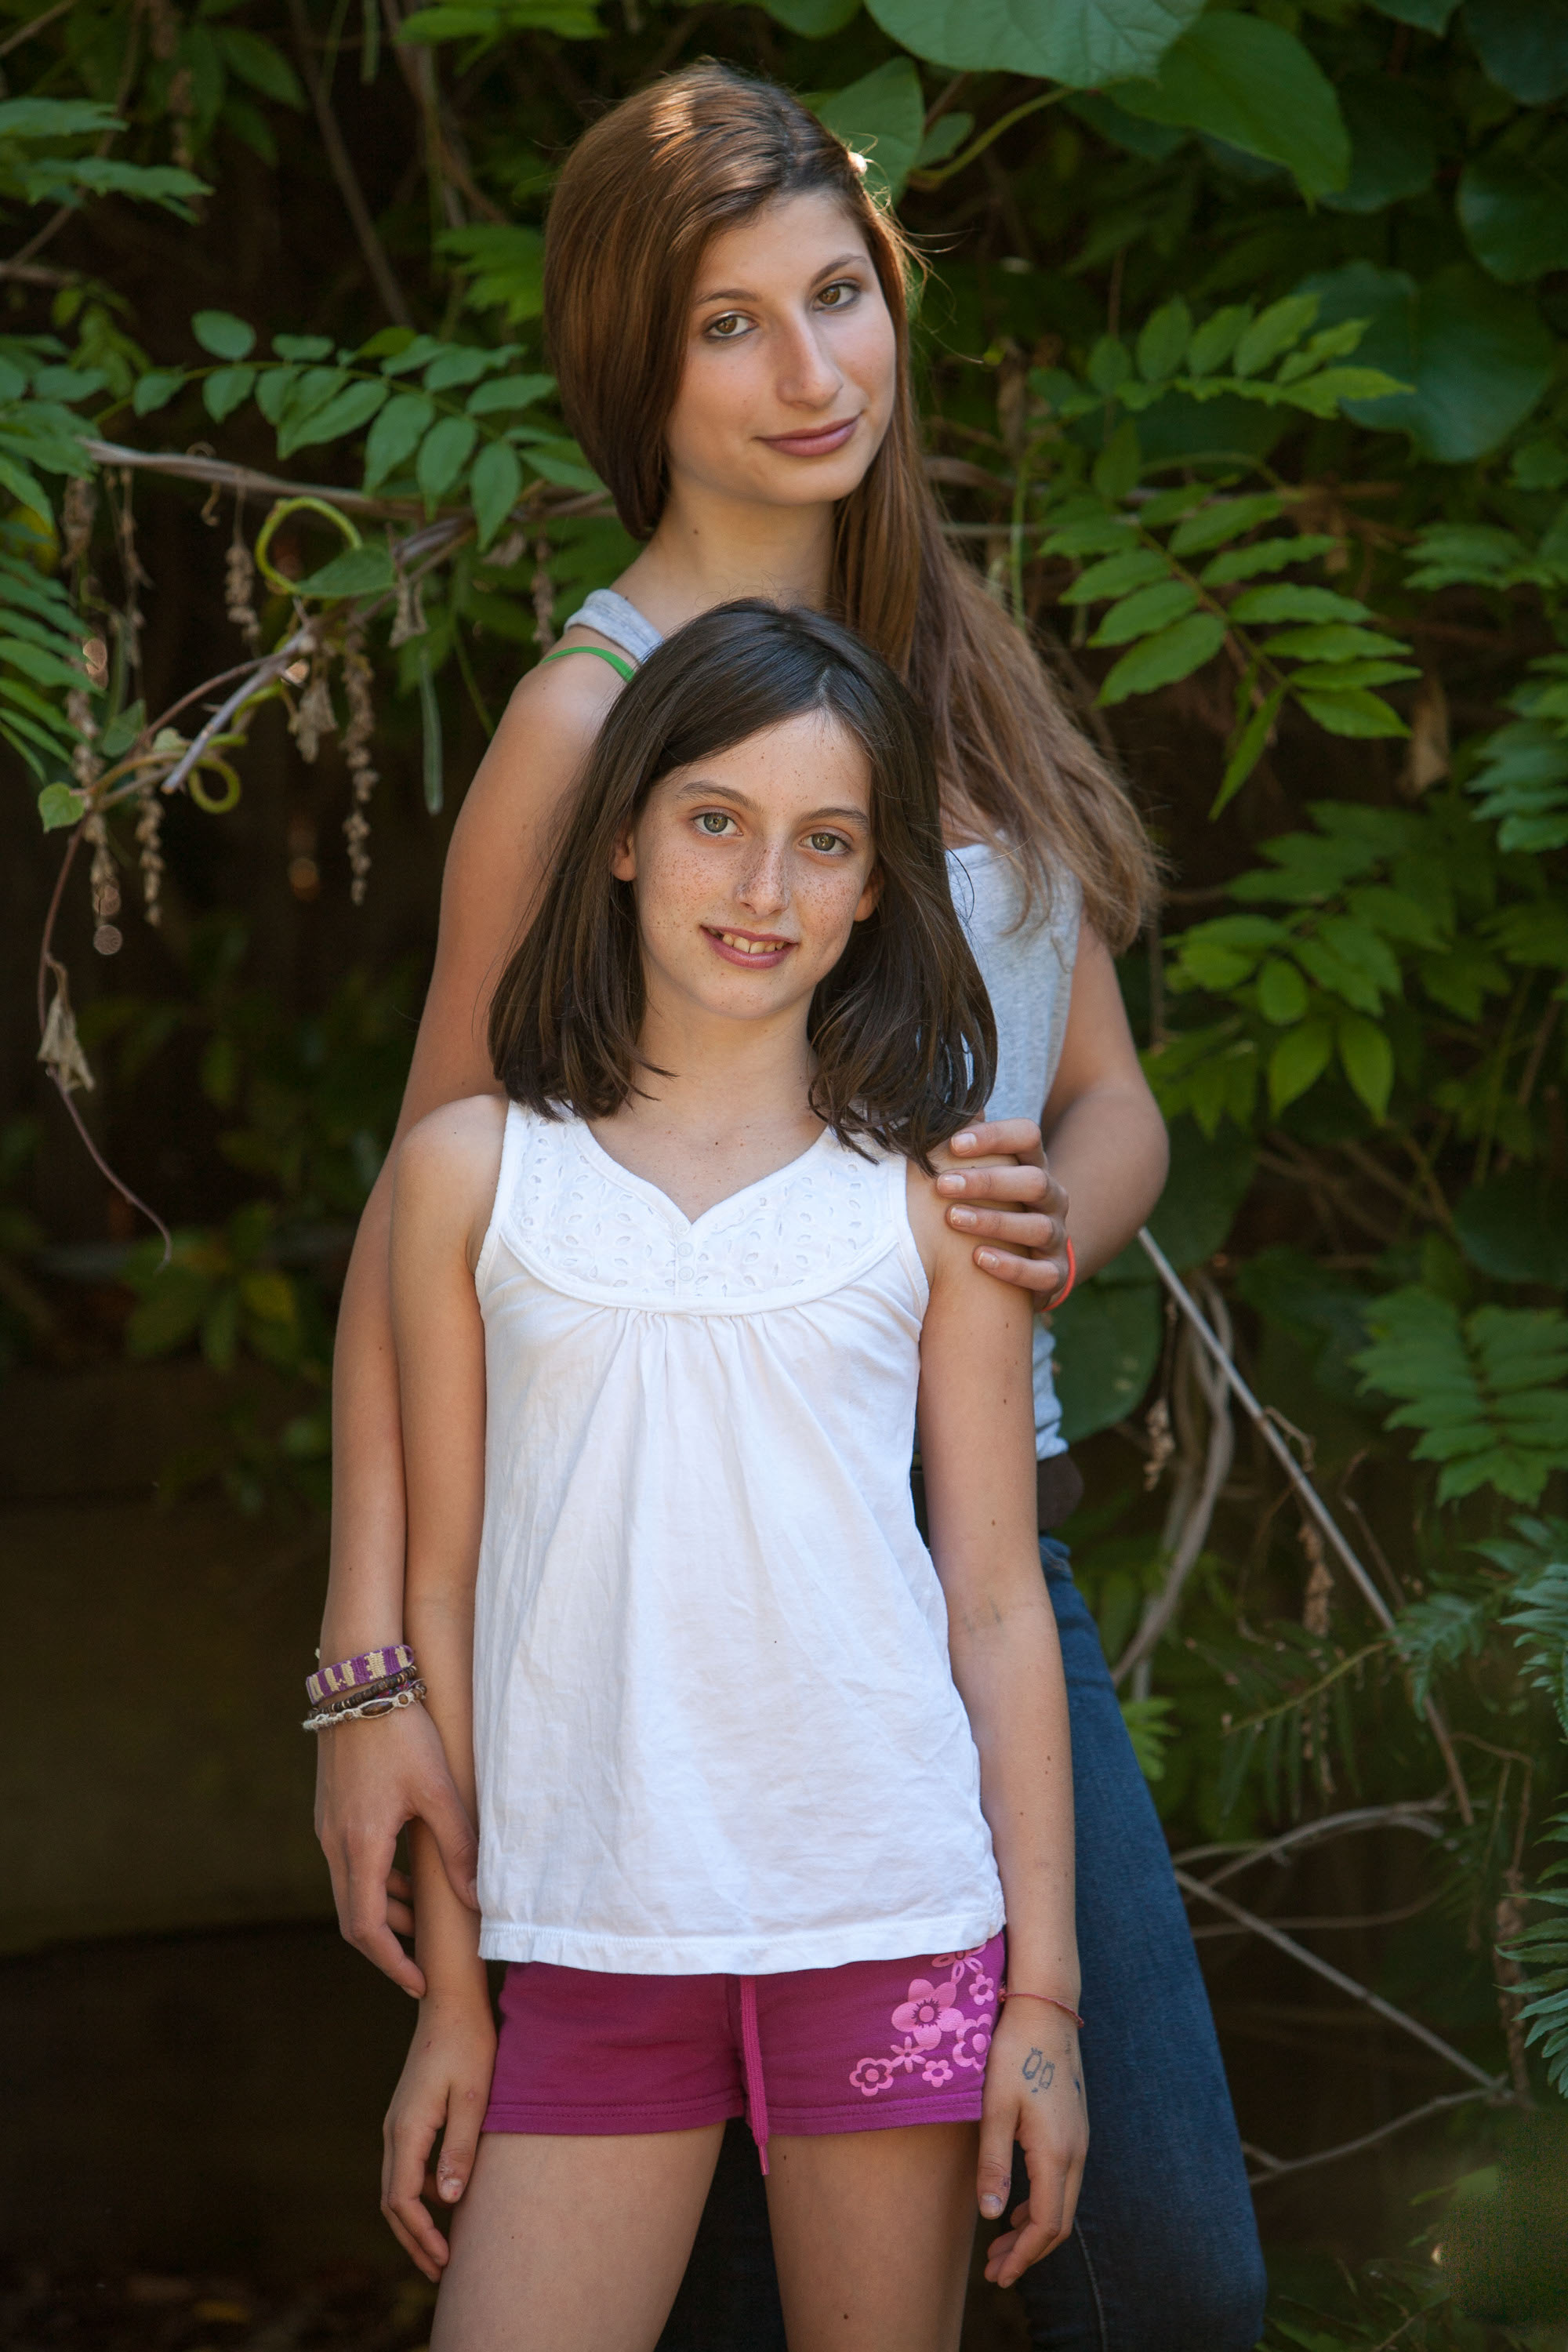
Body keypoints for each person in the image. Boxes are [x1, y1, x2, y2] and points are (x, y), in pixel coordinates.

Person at [313, 62, 1266, 2350]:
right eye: (729, 324)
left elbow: (1105, 1106)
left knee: (1158, 2272)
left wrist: (1037, 1230)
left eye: (840, 296)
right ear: (630, 365)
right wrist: (367, 1677)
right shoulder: (594, 723)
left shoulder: (951, 654)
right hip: (671, 1590)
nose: (811, 368)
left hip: (968, 1552)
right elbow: (432, 1213)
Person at [376, 601, 1087, 2350]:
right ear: (622, 834)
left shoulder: (940, 1201)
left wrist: (1045, 2006)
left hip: (897, 1925)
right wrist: (455, 2000)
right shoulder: (472, 1177)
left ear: (874, 890)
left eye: (825, 842)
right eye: (717, 820)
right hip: (588, 1941)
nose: (764, 887)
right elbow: (443, 1594)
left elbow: (998, 1606)